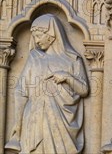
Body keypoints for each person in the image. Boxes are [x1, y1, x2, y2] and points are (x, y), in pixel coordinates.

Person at [6, 14, 89, 153]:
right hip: (34, 120)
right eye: (34, 37)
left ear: (51, 35)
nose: (36, 41)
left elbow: (84, 90)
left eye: (39, 36)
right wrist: (18, 124)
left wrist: (67, 77)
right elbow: (21, 91)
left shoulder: (73, 59)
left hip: (62, 124)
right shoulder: (34, 58)